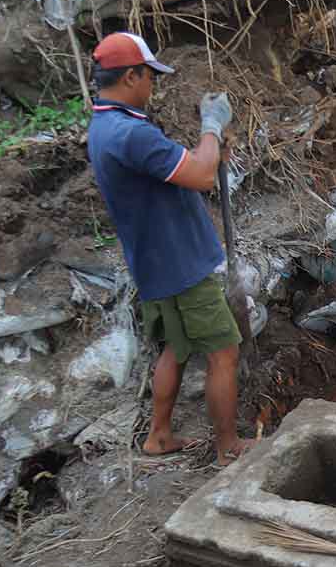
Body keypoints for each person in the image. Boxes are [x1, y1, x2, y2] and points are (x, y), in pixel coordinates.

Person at [87, 32, 254, 465]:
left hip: (155, 262)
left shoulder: (107, 125)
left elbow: (184, 167)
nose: (152, 85)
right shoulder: (129, 134)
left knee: (175, 349)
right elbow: (199, 176)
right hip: (181, 265)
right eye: (149, 77)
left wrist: (210, 150)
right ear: (130, 77)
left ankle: (159, 436)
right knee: (224, 352)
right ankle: (229, 447)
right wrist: (212, 128)